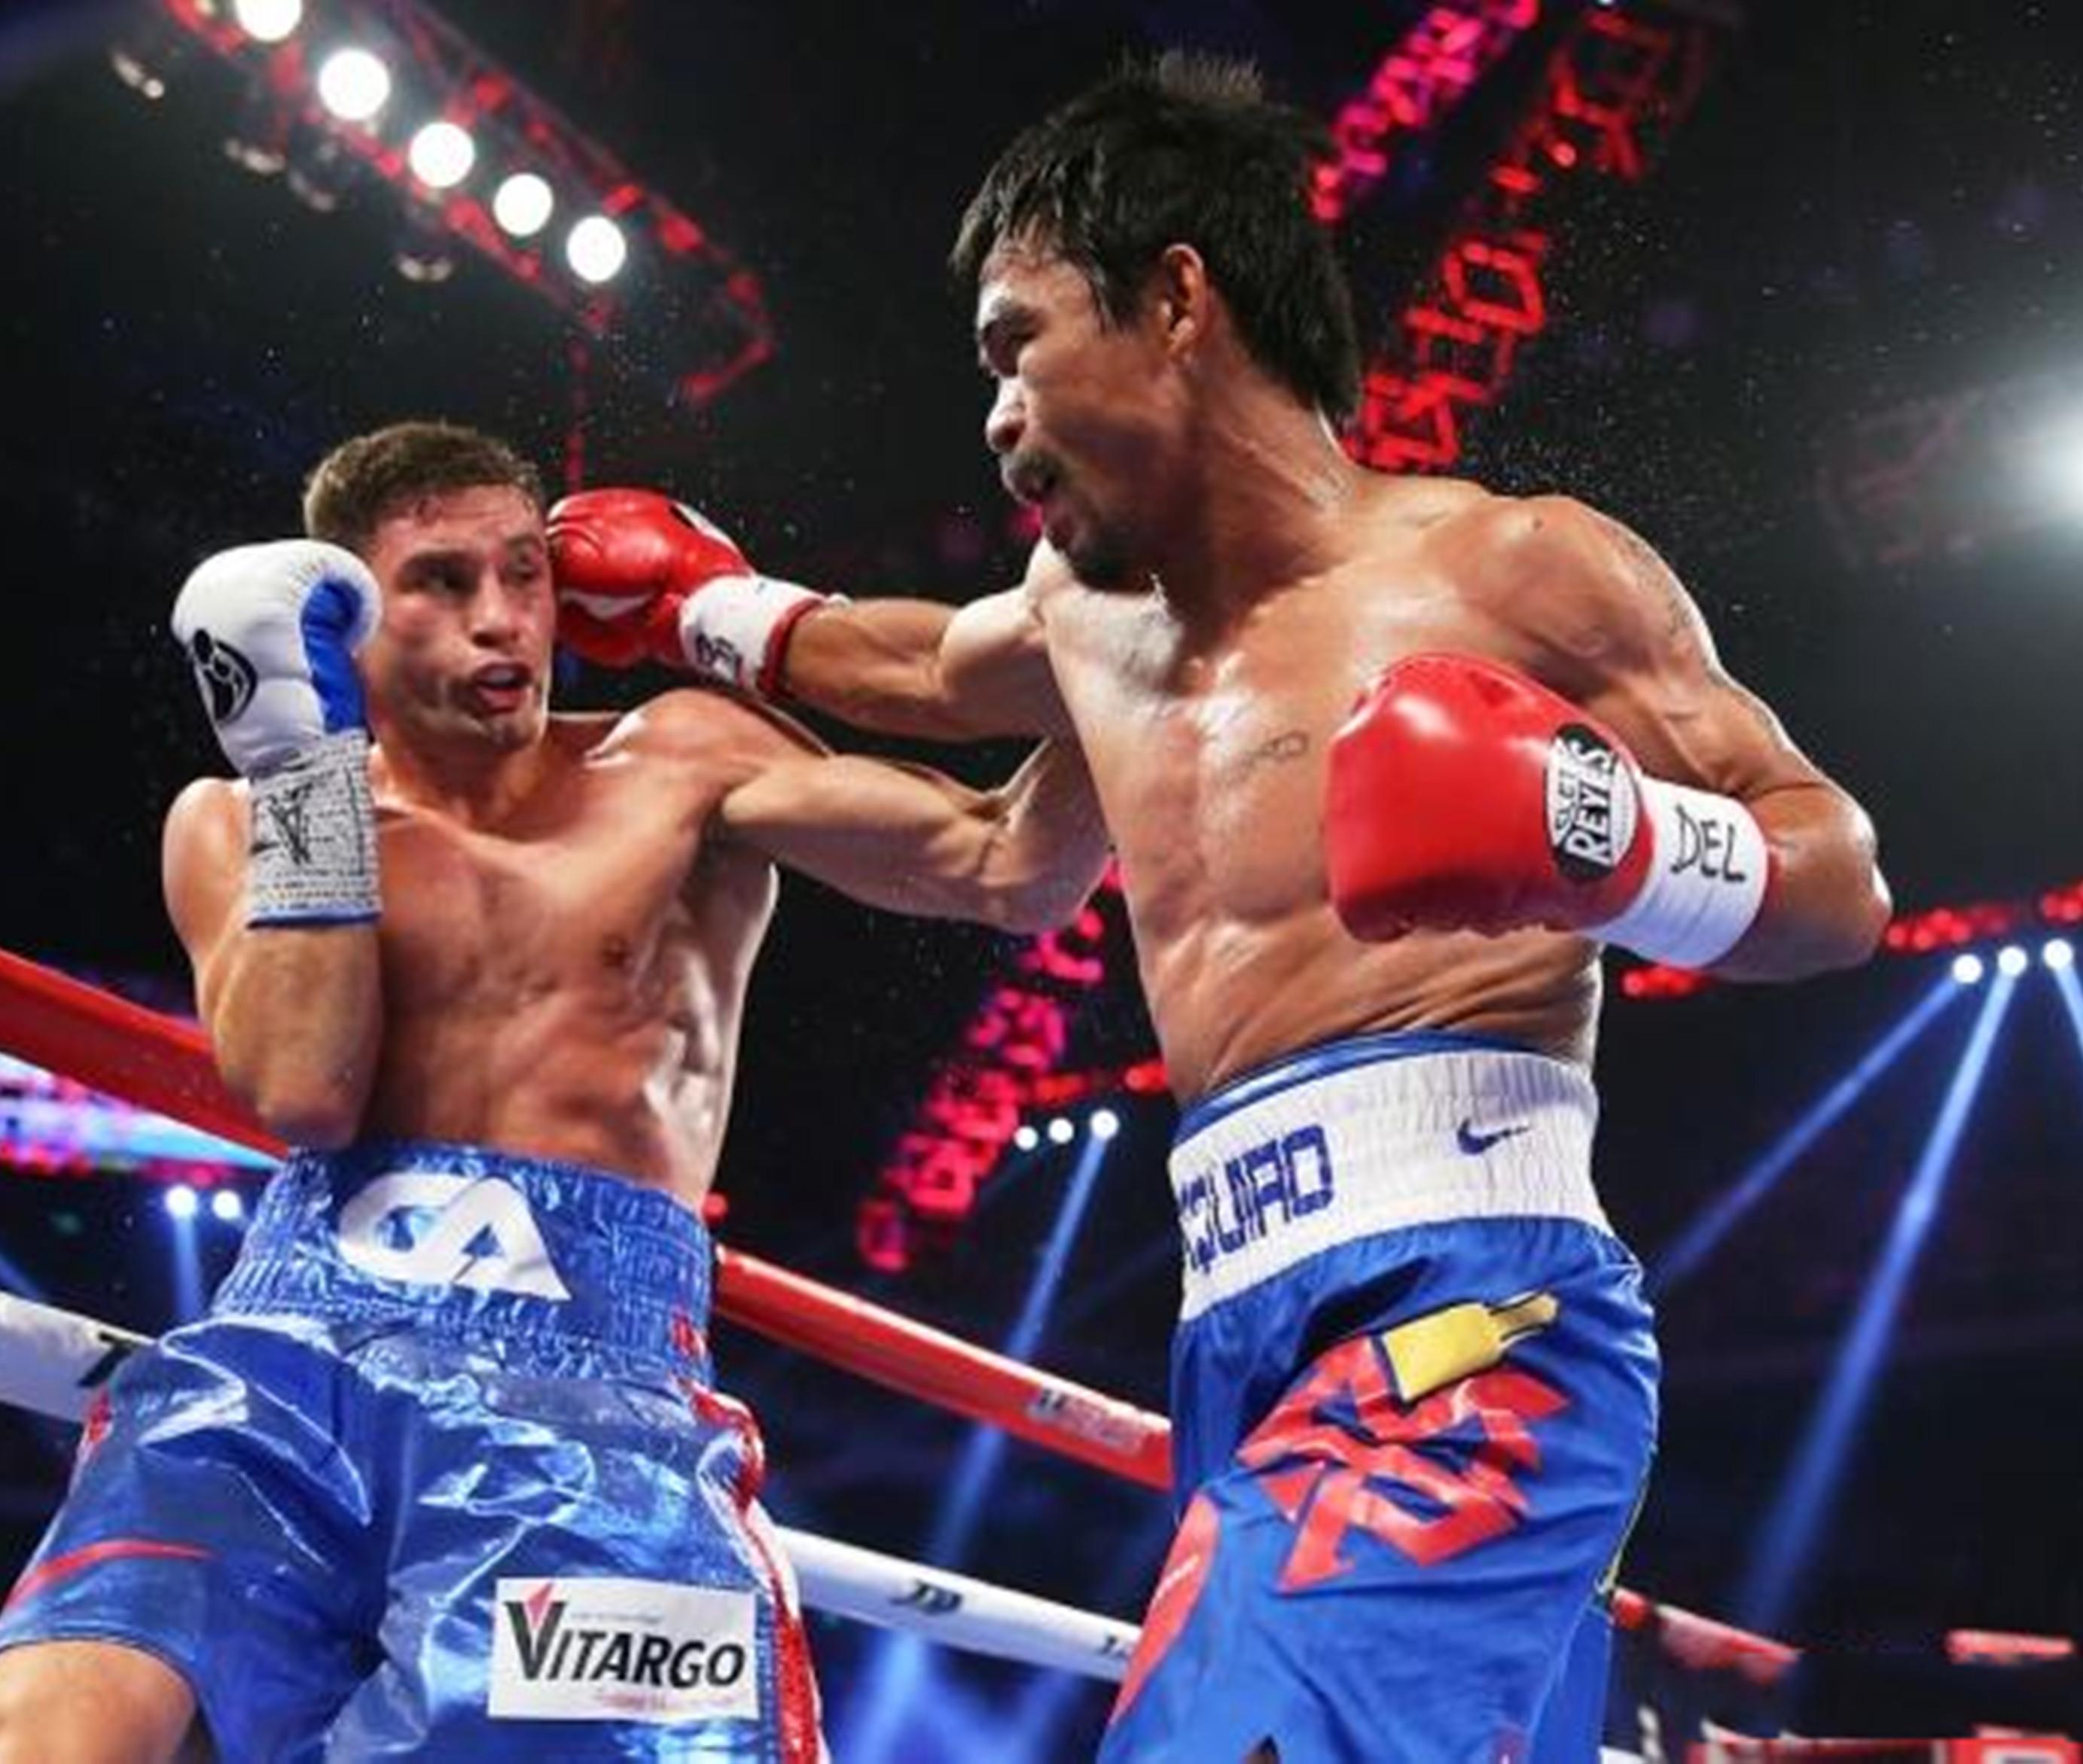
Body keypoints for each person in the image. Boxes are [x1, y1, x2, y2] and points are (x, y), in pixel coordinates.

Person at [544, 54, 1893, 1764]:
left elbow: (1834, 882)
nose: (995, 416)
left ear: (1176, 297)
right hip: (1233, 1332)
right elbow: (922, 679)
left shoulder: (1507, 569)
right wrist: (696, 610)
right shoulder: (1088, 618)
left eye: (1015, 344)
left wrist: (1604, 838)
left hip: (1468, 1308)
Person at [0, 419, 1112, 1764]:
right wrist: (307, 773)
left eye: (524, 574)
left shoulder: (680, 757)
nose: (501, 620)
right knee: (35, 1737)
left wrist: (1140, 613)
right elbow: (307, 1087)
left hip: (593, 1382)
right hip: (288, 1348)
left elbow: (1012, 866)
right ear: (342, 612)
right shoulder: (242, 811)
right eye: (442, 583)